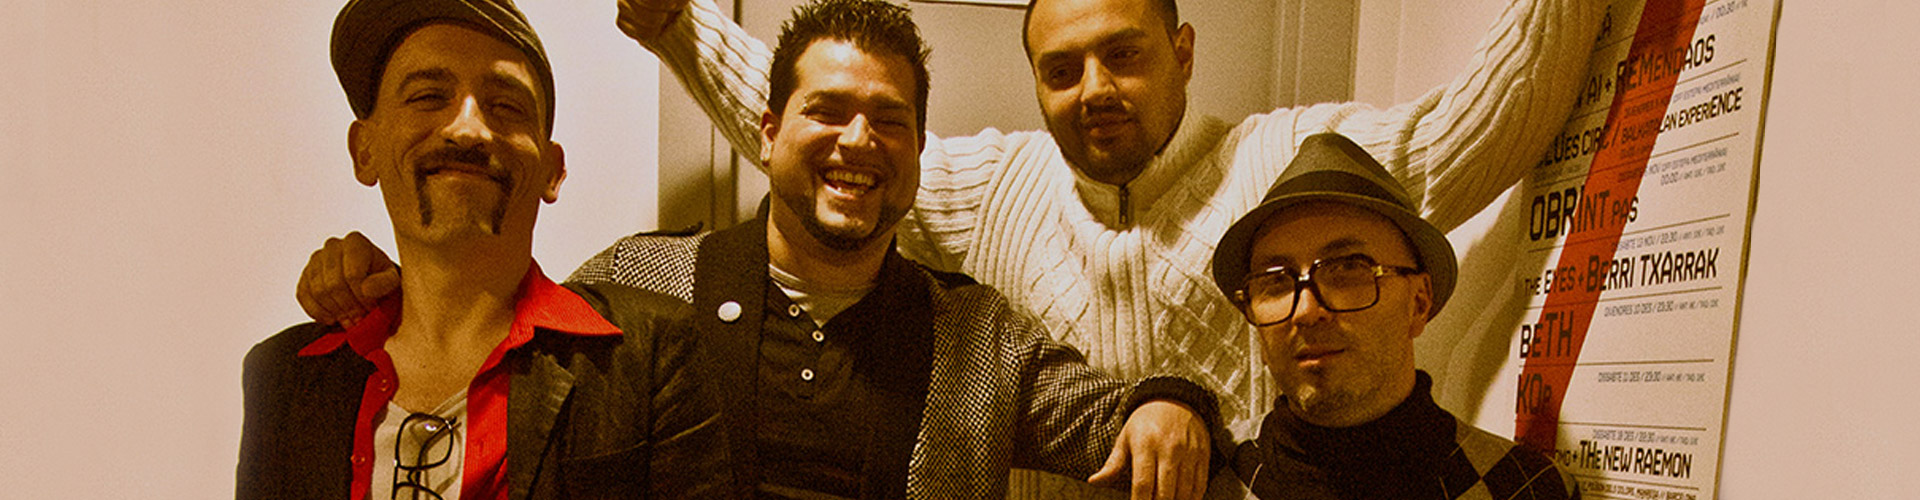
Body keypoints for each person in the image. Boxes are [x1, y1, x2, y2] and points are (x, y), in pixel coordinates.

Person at [289, 1, 1226, 499]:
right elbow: (491, 335)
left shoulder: (980, 338)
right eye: (828, 110)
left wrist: (1174, 400)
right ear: (769, 131)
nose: (858, 140)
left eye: (889, 120)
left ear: (917, 151)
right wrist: (380, 286)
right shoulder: (636, 283)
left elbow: (1126, 422)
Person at [608, 0, 1607, 445]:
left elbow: (1492, 119)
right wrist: (679, 24)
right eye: (1062, 68)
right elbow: (837, 139)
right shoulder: (992, 186)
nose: (1093, 88)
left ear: (1183, 51)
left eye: (1123, 54)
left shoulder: (1289, 164)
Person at [236, 0, 729, 498]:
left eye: (506, 106)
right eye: (428, 97)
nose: (467, 128)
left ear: (552, 171)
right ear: (364, 150)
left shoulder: (651, 355)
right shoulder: (284, 376)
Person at [1209, 133, 1578, 499]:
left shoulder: (1522, 489)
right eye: (1275, 281)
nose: (1306, 310)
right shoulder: (1203, 480)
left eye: (1347, 269)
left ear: (1419, 302)